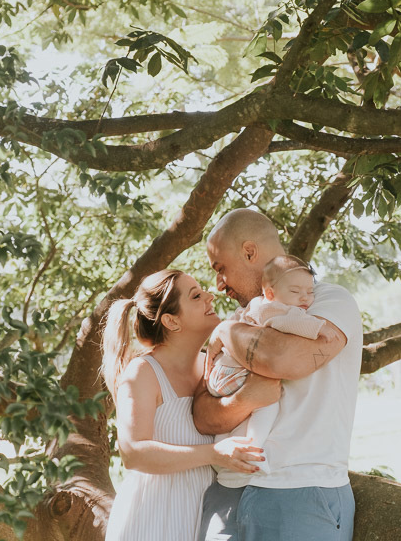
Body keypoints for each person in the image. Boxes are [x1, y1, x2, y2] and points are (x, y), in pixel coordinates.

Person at [193, 209, 363, 541]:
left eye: (220, 268)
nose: (218, 284)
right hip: (226, 494)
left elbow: (285, 360)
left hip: (300, 495)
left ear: (249, 252)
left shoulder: (328, 301)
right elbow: (201, 414)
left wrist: (226, 331)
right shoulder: (243, 319)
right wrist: (245, 400)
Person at [101, 269, 280, 541]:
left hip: (206, 517)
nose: (210, 296)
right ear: (171, 321)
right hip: (152, 519)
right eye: (196, 296)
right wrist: (214, 453)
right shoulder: (143, 372)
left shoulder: (215, 366)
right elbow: (133, 453)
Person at [206, 254, 324, 474]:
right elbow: (296, 324)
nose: (305, 298)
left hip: (219, 375)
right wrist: (320, 328)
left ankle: (221, 447)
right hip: (234, 374)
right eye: (295, 292)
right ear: (270, 293)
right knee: (267, 405)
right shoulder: (274, 309)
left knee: (237, 414)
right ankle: (254, 450)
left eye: (310, 292)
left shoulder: (255, 306)